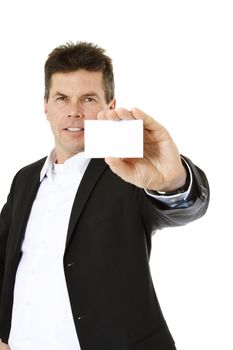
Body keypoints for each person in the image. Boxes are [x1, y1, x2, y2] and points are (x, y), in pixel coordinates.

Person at [0, 41, 209, 350]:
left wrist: (174, 180)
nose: (73, 111)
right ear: (45, 105)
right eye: (61, 98)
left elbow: (184, 207)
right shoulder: (25, 179)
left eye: (88, 98)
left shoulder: (130, 171)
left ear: (110, 107)